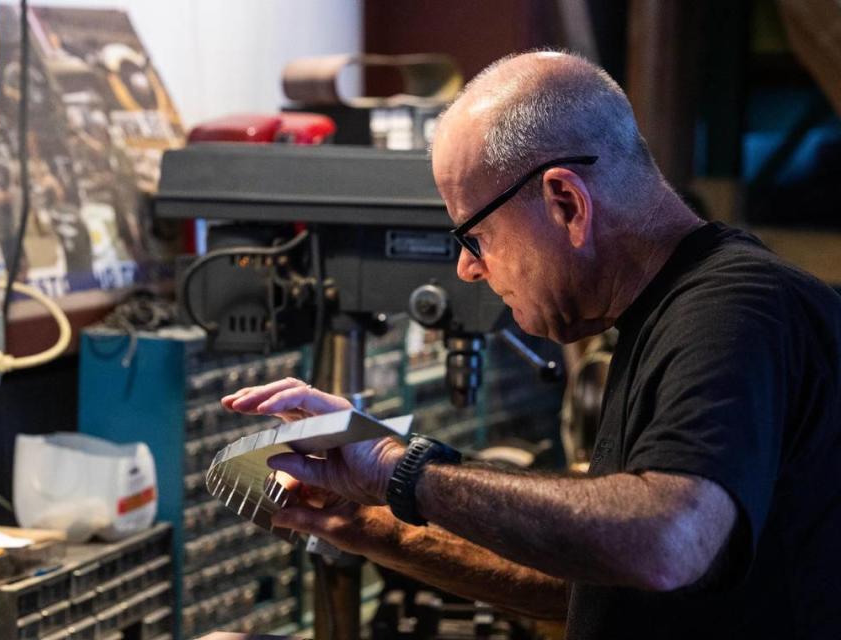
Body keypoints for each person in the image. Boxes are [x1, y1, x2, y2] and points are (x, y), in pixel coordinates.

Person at [221, 51, 841, 639]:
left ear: (566, 202)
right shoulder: (667, 318)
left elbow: (665, 543)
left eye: (474, 236)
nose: (468, 270)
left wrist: (394, 467)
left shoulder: (734, 310)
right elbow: (602, 583)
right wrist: (365, 526)